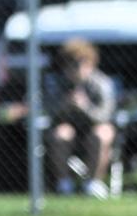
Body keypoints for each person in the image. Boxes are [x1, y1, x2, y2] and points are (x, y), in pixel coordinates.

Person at [45, 38, 117, 198]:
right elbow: (49, 112)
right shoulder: (56, 83)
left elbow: (105, 115)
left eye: (82, 63)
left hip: (94, 126)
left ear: (91, 64)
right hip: (69, 127)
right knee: (61, 134)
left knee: (102, 134)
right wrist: (65, 105)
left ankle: (93, 182)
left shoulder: (102, 83)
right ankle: (64, 183)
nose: (77, 69)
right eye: (71, 64)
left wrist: (85, 107)